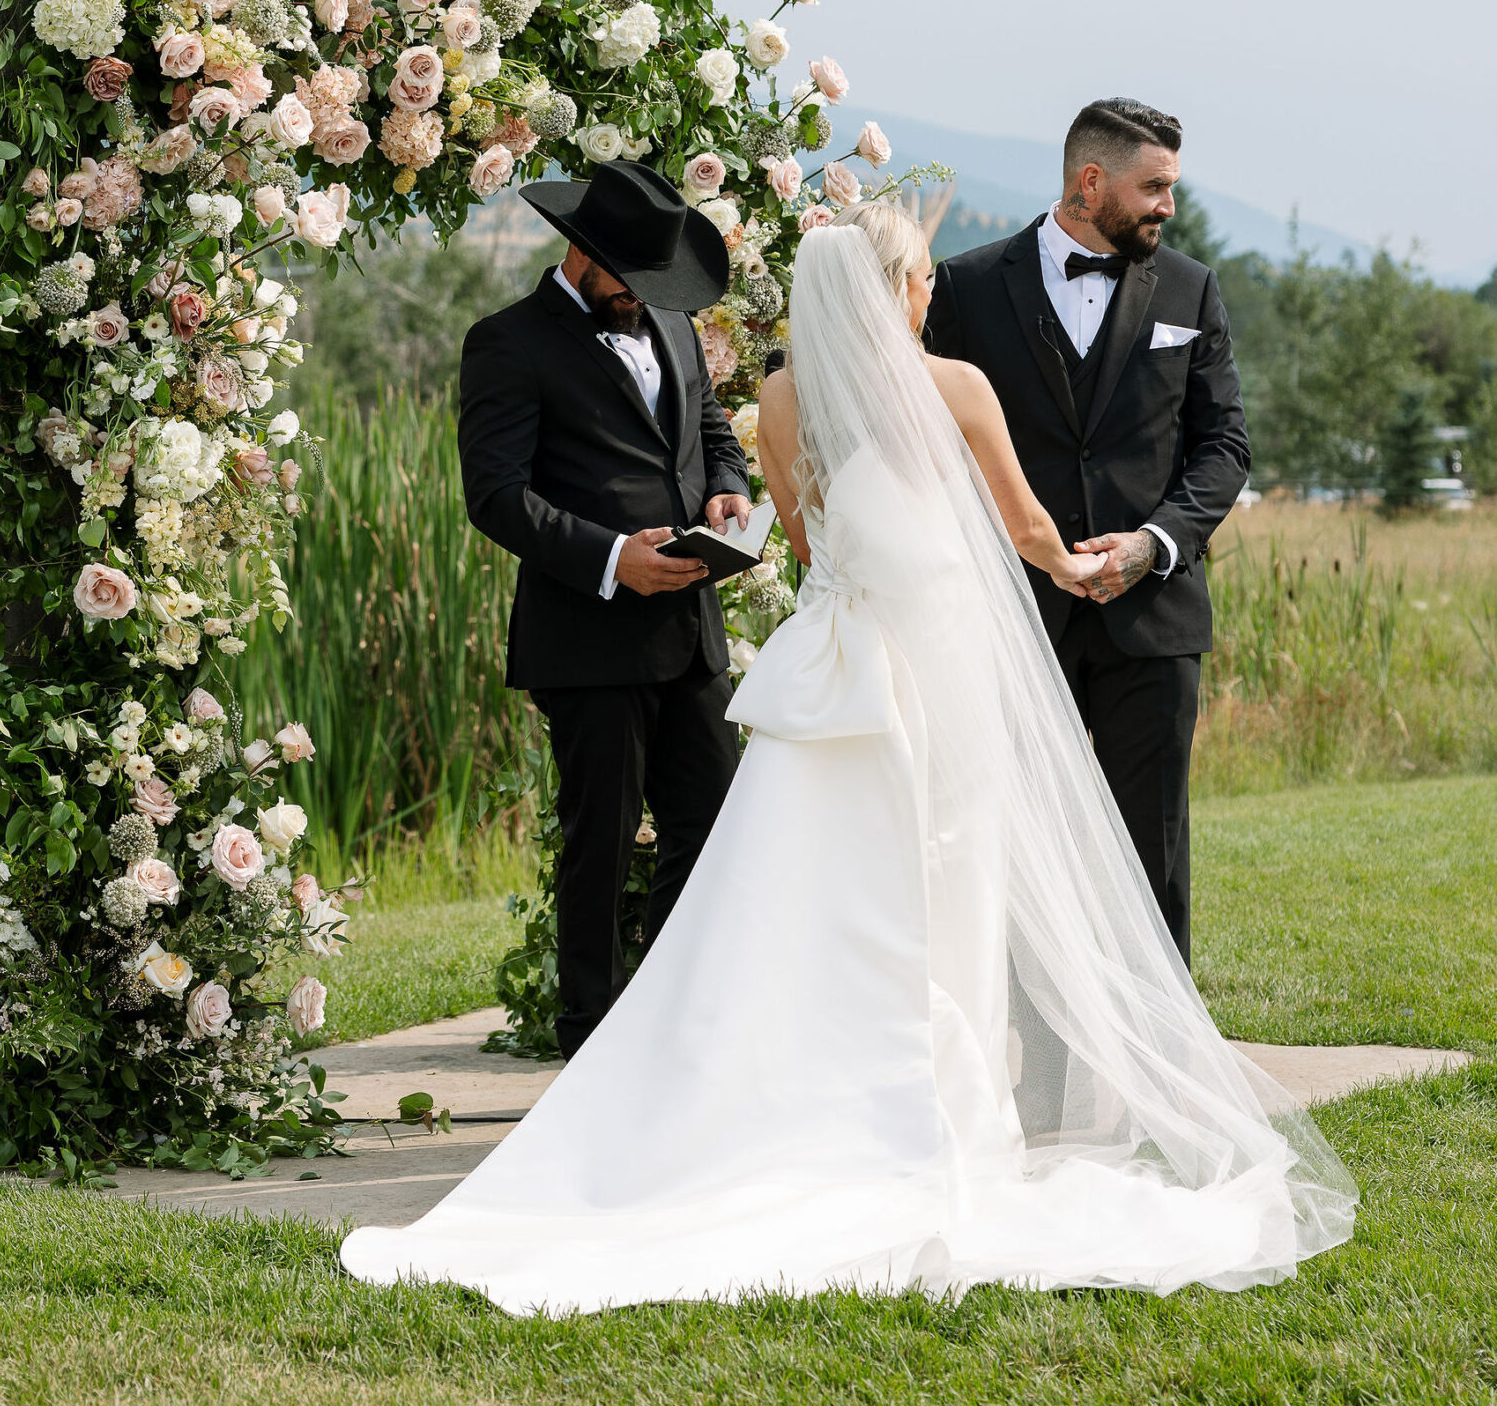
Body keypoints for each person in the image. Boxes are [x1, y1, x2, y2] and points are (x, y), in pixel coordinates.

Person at [340, 202, 1354, 1312]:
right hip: (934, 672)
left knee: (798, 896)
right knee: (938, 889)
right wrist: (1088, 566)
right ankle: (937, 1120)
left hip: (830, 670)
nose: (928, 292)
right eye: (917, 275)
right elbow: (1023, 530)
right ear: (894, 286)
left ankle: (780, 1103)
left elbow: (805, 537)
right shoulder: (954, 386)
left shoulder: (780, 396)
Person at [924, 99, 1248, 965]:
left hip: (1154, 620)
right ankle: (1031, 1067)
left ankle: (1159, 1074)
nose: (1167, 207)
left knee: (1154, 846)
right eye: (1154, 187)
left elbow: (1223, 447)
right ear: (1089, 181)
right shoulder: (963, 286)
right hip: (1016, 618)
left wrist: (1153, 544)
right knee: (1020, 846)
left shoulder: (1191, 289)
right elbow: (930, 448)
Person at [454, 160, 753, 1059]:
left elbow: (708, 434)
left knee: (712, 831)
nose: (645, 295)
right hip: (585, 639)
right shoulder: (506, 342)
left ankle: (669, 1022)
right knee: (600, 842)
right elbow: (495, 497)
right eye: (629, 275)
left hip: (690, 632)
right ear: (579, 252)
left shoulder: (669, 320)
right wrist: (613, 559)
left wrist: (727, 494)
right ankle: (589, 1038)